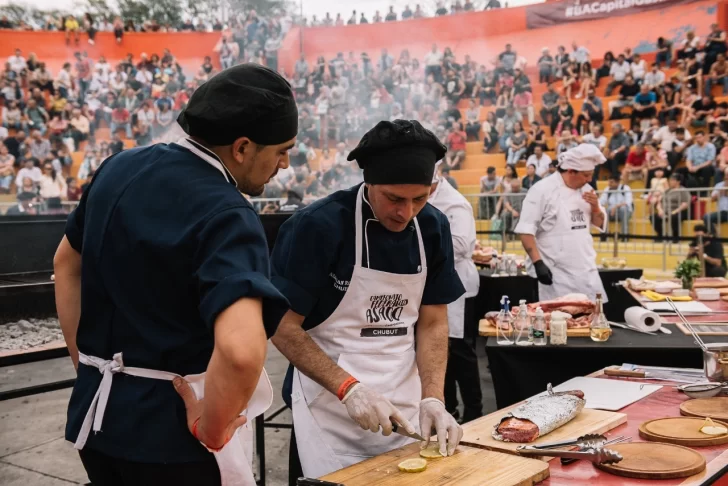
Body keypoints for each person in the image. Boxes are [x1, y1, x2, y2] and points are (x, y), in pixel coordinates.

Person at [53, 64, 297, 486]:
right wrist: (214, 429)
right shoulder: (229, 215)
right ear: (241, 148)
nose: (286, 164)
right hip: (172, 440)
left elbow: (65, 264)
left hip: (96, 420)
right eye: (281, 150)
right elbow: (241, 352)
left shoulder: (118, 168)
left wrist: (86, 363)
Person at [270, 119, 465, 482]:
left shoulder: (434, 228)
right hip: (328, 408)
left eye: (419, 199)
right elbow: (281, 326)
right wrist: (350, 389)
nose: (406, 213)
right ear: (368, 181)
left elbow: (433, 321)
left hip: (405, 405)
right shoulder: (318, 227)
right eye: (394, 198)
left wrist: (434, 396)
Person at [515, 144, 608, 302]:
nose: (589, 180)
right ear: (571, 171)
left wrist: (595, 207)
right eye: (586, 175)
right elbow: (526, 231)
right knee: (558, 321)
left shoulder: (586, 190)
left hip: (585, 270)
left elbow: (599, 223)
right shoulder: (542, 190)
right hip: (555, 274)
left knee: (593, 320)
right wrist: (538, 263)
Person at [428, 163, 482, 424]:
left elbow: (462, 245)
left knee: (462, 354)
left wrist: (421, 236)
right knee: (438, 352)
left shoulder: (454, 203)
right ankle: (448, 410)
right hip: (431, 285)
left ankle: (474, 411)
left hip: (458, 288)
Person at [651, 174, 691, 243]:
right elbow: (660, 202)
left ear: (678, 182)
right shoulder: (667, 190)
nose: (670, 182)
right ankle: (662, 235)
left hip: (679, 211)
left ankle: (676, 237)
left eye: (672, 180)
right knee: (653, 217)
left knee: (674, 217)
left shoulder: (683, 190)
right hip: (666, 211)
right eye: (670, 180)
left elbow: (685, 204)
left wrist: (675, 211)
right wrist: (660, 210)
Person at [704, 167, 728, 234]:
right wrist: (722, 189)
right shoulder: (719, 185)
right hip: (722, 213)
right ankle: (714, 237)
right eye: (726, 175)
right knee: (707, 217)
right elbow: (712, 199)